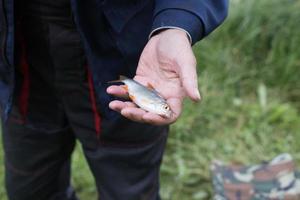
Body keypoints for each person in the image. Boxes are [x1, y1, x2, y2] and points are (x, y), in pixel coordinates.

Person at [0, 0, 228, 199]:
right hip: (19, 62)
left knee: (129, 190)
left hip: (124, 56)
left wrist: (175, 23)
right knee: (28, 188)